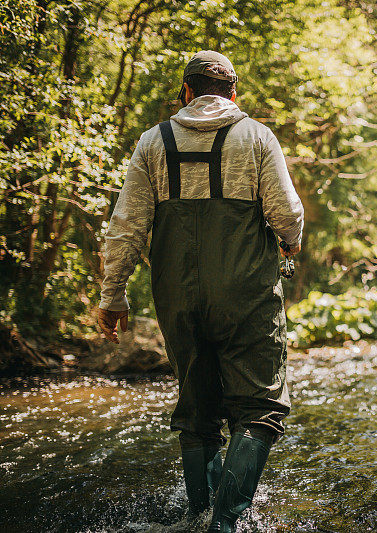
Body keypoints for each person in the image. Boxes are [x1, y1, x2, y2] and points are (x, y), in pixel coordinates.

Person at [97, 51, 304, 532]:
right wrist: (290, 244)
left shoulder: (152, 142)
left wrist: (113, 295)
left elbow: (126, 226)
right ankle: (224, 525)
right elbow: (287, 213)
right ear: (233, 94)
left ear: (184, 93)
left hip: (177, 299)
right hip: (246, 295)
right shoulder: (256, 136)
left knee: (197, 411)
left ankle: (196, 517)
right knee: (258, 407)